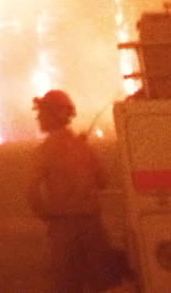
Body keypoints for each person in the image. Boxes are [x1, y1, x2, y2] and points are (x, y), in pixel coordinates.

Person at [27, 89, 112, 293]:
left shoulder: (45, 150)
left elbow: (31, 189)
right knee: (98, 283)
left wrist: (44, 213)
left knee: (66, 285)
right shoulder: (84, 148)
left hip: (64, 228)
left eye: (42, 113)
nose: (38, 118)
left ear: (53, 116)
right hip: (93, 226)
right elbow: (104, 181)